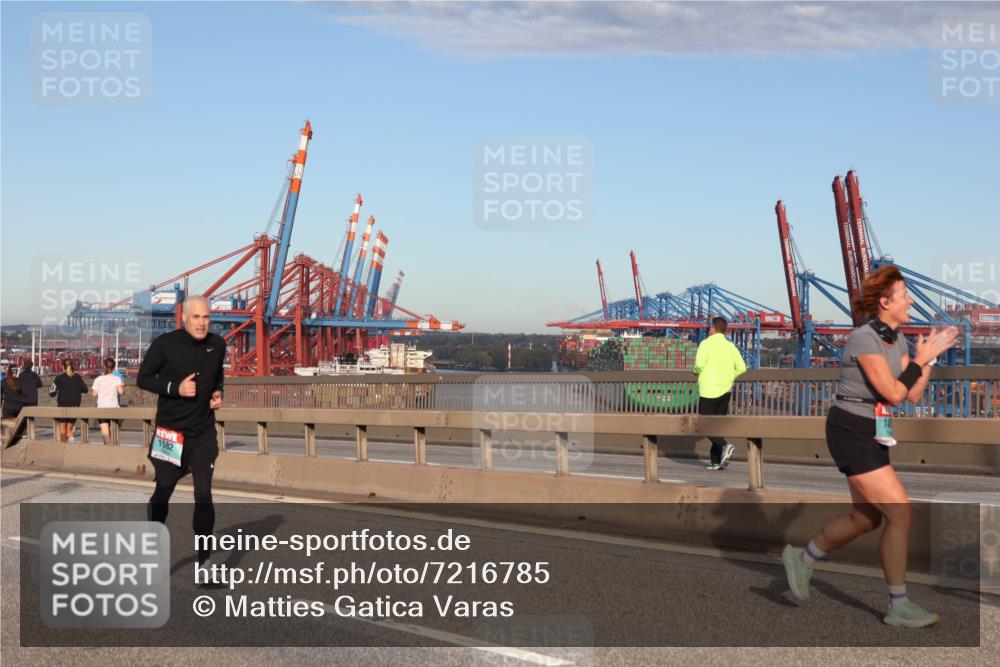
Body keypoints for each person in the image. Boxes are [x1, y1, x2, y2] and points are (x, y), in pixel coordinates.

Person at [782, 265, 958, 628]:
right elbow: (891, 392)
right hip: (851, 429)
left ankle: (802, 558)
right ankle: (898, 605)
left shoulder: (898, 340)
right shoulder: (865, 338)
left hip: (873, 430)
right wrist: (920, 361)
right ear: (884, 302)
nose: (911, 299)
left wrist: (928, 360)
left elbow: (912, 394)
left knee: (866, 518)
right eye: (905, 294)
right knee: (900, 511)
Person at [137, 295, 225, 575]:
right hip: (170, 432)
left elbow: (217, 374)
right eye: (196, 317)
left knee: (203, 494)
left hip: (202, 431)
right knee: (164, 490)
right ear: (184, 318)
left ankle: (204, 561)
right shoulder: (166, 344)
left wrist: (217, 392)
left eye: (206, 317)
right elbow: (143, 378)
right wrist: (176, 388)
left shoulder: (217, 344)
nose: (202, 323)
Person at [693, 316, 747, 470]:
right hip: (726, 391)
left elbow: (698, 365)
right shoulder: (731, 347)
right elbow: (742, 368)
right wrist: (730, 377)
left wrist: (695, 371)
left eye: (710, 327)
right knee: (717, 426)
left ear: (713, 328)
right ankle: (716, 462)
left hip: (709, 390)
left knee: (704, 424)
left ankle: (725, 445)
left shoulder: (706, 344)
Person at [50, 359, 88, 442]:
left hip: (62, 406)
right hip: (74, 406)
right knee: (69, 429)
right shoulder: (78, 377)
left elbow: (51, 393)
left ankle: (64, 449)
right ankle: (70, 447)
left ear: (63, 367)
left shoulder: (59, 378)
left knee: (63, 430)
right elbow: (85, 389)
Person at [91, 357, 125, 445]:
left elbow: (94, 394)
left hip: (102, 408)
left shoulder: (98, 379)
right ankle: (115, 448)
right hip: (113, 407)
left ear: (104, 367)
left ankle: (108, 450)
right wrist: (121, 385)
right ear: (114, 367)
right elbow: (121, 392)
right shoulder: (117, 378)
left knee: (105, 433)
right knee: (114, 431)